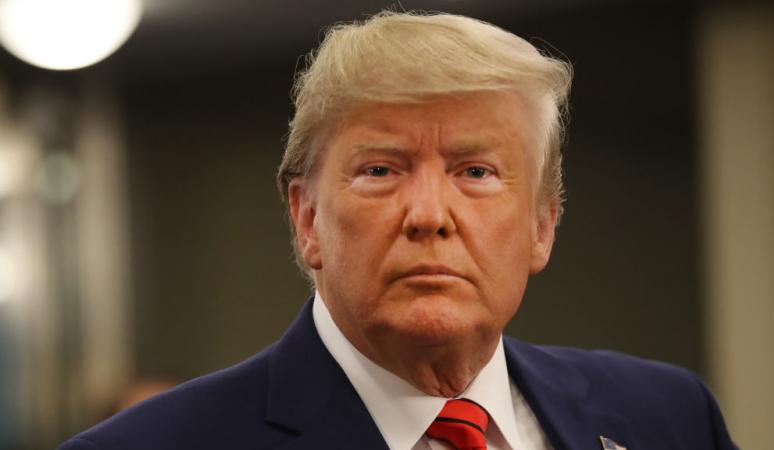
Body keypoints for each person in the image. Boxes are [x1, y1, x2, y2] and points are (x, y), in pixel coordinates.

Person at [60, 11, 737, 450]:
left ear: (541, 226)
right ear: (306, 220)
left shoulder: (667, 418)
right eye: (382, 170)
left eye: (475, 171)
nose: (429, 215)